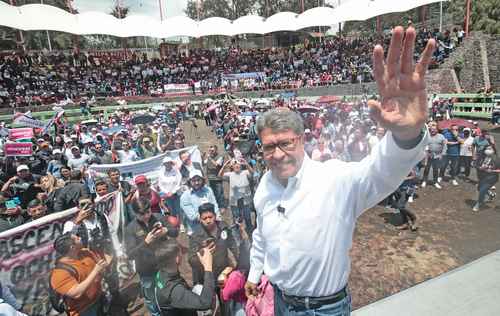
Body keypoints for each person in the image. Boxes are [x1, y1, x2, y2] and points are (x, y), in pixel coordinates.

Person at [244, 26, 435, 315]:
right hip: (281, 303)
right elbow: (261, 236)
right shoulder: (263, 187)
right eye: (269, 146)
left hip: (326, 309)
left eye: (285, 143)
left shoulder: (333, 179)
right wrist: (254, 273)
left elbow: (380, 173)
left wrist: (405, 136)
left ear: (302, 140)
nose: (278, 154)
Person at [125, 196, 179, 316]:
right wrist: (145, 243)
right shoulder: (130, 229)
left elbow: (175, 232)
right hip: (146, 270)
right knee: (151, 298)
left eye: (148, 212)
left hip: (165, 264)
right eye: (142, 214)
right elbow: (130, 254)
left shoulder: (159, 217)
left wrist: (166, 230)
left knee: (170, 292)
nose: (146, 216)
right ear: (135, 213)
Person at [50, 233, 110, 316]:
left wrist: (102, 247)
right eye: (77, 238)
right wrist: (96, 271)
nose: (80, 237)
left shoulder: (84, 253)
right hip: (84, 310)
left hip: (99, 299)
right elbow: (76, 293)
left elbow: (105, 261)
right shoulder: (59, 273)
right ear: (72, 247)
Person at [153, 241, 216, 316]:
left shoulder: (161, 273)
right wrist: (208, 267)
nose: (182, 254)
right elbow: (205, 303)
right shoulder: (175, 290)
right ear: (177, 259)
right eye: (180, 253)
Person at [188, 203, 239, 285]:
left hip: (223, 271)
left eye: (210, 217)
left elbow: (233, 245)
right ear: (200, 219)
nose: (208, 221)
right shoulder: (195, 236)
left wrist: (240, 263)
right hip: (207, 276)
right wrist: (202, 253)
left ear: (215, 216)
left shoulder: (223, 227)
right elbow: (191, 260)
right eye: (204, 218)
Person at [219, 159, 255, 235]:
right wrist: (224, 166)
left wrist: (246, 164)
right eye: (235, 165)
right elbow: (219, 176)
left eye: (238, 165)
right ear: (232, 166)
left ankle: (250, 232)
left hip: (245, 200)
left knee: (247, 217)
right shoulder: (229, 174)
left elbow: (253, 173)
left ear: (241, 166)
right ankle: (239, 234)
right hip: (234, 201)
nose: (237, 166)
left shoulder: (245, 172)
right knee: (237, 218)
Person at [180, 170, 221, 235]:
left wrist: (217, 217)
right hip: (196, 229)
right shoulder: (185, 197)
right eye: (193, 180)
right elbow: (192, 216)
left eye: (198, 180)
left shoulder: (208, 190)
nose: (196, 182)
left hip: (213, 225)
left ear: (202, 180)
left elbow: (214, 204)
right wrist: (209, 220)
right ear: (189, 181)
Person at [473, 145, 499, 212]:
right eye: (487, 149)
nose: (488, 150)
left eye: (490, 149)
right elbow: (475, 164)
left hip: (491, 178)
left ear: (493, 150)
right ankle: (491, 195)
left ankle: (478, 203)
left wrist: (492, 170)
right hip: (482, 176)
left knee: (482, 190)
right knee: (479, 188)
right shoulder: (481, 157)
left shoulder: (497, 159)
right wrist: (480, 168)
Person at [421, 121, 446, 189]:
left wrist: (442, 154)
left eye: (434, 130)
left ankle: (435, 182)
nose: (433, 131)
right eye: (431, 130)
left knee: (436, 169)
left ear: (437, 130)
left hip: (438, 155)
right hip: (428, 155)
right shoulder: (427, 136)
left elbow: (445, 146)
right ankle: (424, 181)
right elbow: (424, 145)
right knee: (426, 169)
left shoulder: (441, 136)